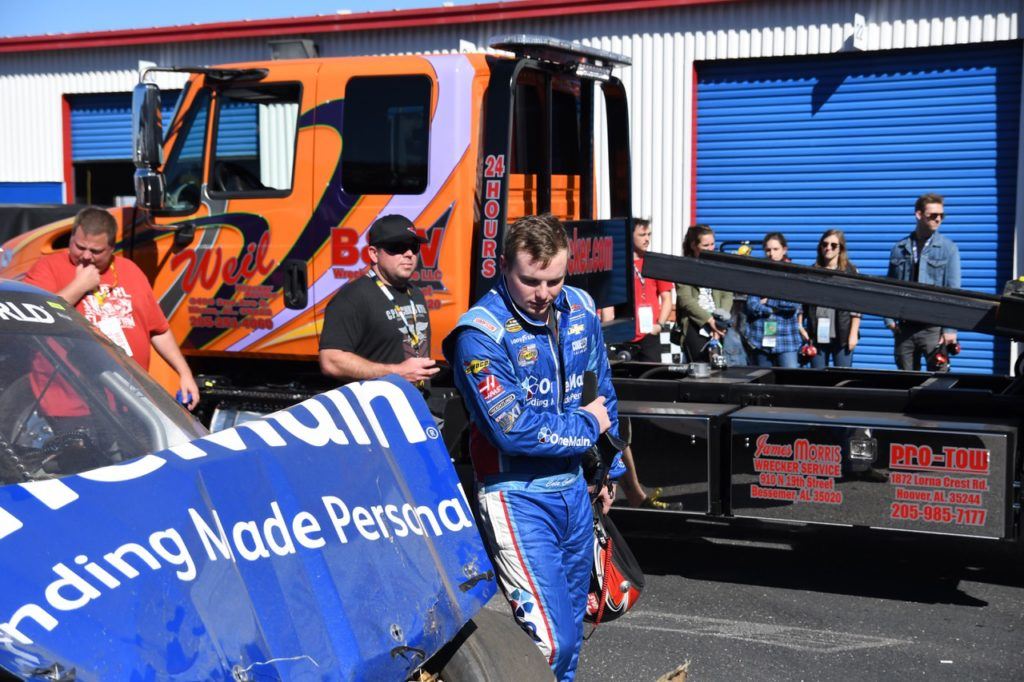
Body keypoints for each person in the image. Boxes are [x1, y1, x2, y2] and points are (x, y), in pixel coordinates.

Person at [443, 213, 619, 681]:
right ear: (504, 267)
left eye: (554, 280)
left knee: (573, 628)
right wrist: (586, 426)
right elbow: (513, 429)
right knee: (549, 640)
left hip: (575, 491)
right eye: (530, 281)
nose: (543, 294)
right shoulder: (479, 334)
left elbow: (601, 391)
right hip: (514, 495)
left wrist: (606, 472)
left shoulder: (579, 308)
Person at [24, 207, 200, 410]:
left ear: (112, 248)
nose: (86, 256)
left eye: (96, 251)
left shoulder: (130, 270)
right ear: (71, 238)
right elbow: (37, 315)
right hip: (71, 401)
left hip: (128, 400)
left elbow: (159, 329)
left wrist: (184, 374)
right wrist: (79, 286)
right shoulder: (48, 267)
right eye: (80, 247)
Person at [600, 218, 680, 510]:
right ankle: (628, 485)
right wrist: (608, 327)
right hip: (623, 339)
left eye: (649, 233)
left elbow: (667, 296)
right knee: (619, 406)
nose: (647, 238)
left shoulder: (653, 263)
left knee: (652, 388)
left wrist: (660, 325)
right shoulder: (618, 265)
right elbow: (608, 302)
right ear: (628, 236)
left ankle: (649, 441)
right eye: (642, 233)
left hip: (649, 336)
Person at [319, 214, 439, 385]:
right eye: (398, 246)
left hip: (414, 404)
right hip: (375, 407)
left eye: (414, 246)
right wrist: (396, 373)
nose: (409, 253)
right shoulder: (352, 297)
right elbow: (331, 361)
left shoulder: (416, 294)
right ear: (374, 254)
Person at [885, 193, 961, 371]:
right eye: (933, 215)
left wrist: (950, 329)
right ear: (919, 215)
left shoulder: (948, 249)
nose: (938, 219)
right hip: (904, 328)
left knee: (938, 381)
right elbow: (889, 286)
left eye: (942, 215)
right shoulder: (900, 248)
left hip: (932, 328)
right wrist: (888, 319)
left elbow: (954, 291)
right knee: (905, 381)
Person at [804, 229, 861, 368]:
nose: (828, 248)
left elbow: (857, 306)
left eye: (833, 245)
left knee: (842, 377)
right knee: (817, 378)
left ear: (840, 248)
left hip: (842, 333)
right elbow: (803, 302)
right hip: (817, 334)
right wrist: (802, 328)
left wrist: (853, 333)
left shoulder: (851, 272)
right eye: (825, 244)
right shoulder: (812, 271)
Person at [676, 224, 732, 363]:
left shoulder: (719, 266)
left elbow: (727, 294)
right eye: (706, 245)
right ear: (694, 245)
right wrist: (709, 320)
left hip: (718, 322)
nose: (711, 249)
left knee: (718, 366)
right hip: (696, 323)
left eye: (713, 244)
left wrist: (719, 320)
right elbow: (686, 300)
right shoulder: (684, 267)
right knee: (699, 367)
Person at [745, 232, 802, 368]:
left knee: (790, 383)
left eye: (775, 249)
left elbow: (792, 304)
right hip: (761, 339)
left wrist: (768, 301)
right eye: (768, 250)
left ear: (784, 250)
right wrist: (774, 307)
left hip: (786, 340)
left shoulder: (793, 274)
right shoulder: (758, 274)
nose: (772, 254)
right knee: (763, 383)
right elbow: (751, 305)